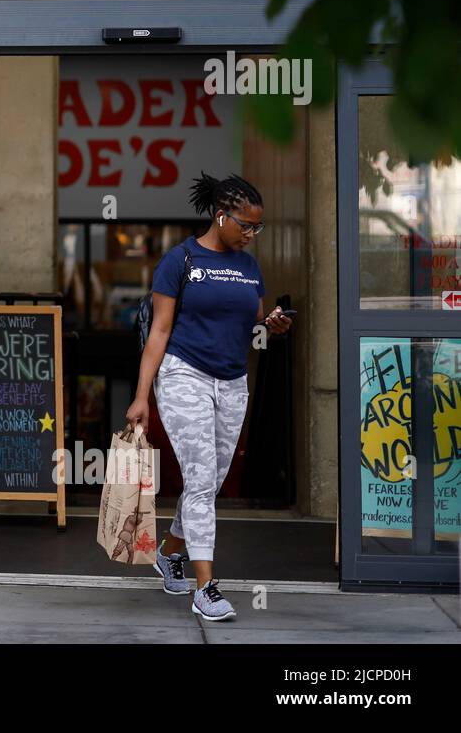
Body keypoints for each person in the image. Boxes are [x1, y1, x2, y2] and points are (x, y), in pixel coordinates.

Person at [125, 172, 292, 622]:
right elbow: (159, 332)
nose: (252, 234)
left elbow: (254, 316)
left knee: (211, 480)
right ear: (221, 216)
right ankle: (206, 588)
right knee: (200, 479)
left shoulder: (249, 266)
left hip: (232, 381)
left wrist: (273, 322)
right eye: (246, 225)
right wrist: (143, 395)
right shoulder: (180, 260)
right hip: (184, 376)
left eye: (258, 228)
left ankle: (170, 552)